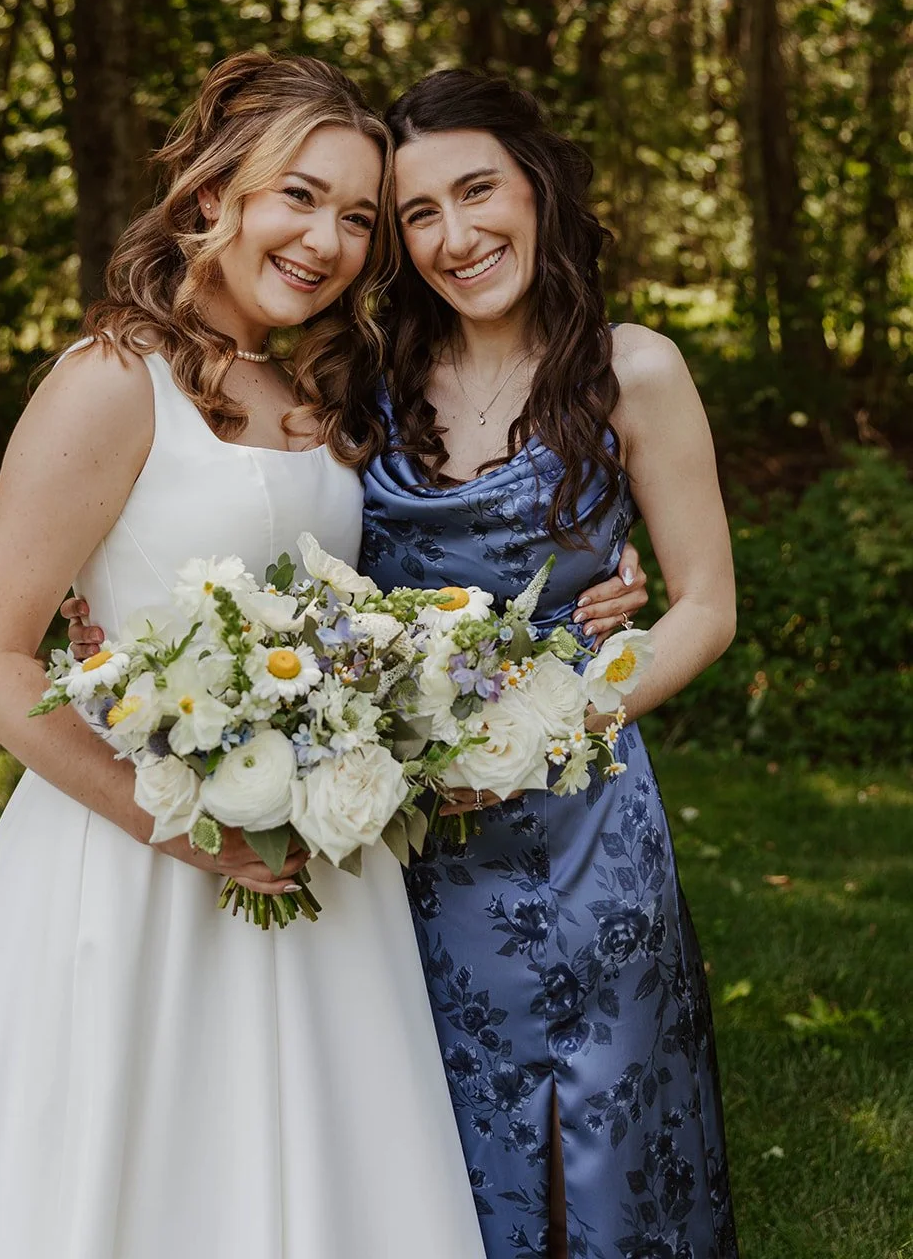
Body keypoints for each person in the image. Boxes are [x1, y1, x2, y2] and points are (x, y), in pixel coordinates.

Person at [0, 54, 489, 1259]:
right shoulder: (110, 382)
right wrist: (197, 831)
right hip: (140, 853)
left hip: (319, 858)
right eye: (298, 194)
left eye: (357, 215)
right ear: (210, 198)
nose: (328, 238)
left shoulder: (308, 391)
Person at [360, 69, 739, 1259]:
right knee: (444, 1131)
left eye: (477, 190)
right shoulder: (363, 389)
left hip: (585, 824)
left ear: (536, 184)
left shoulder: (634, 370)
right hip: (415, 838)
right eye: (419, 212)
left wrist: (548, 720)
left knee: (607, 1138)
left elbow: (705, 609)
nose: (456, 236)